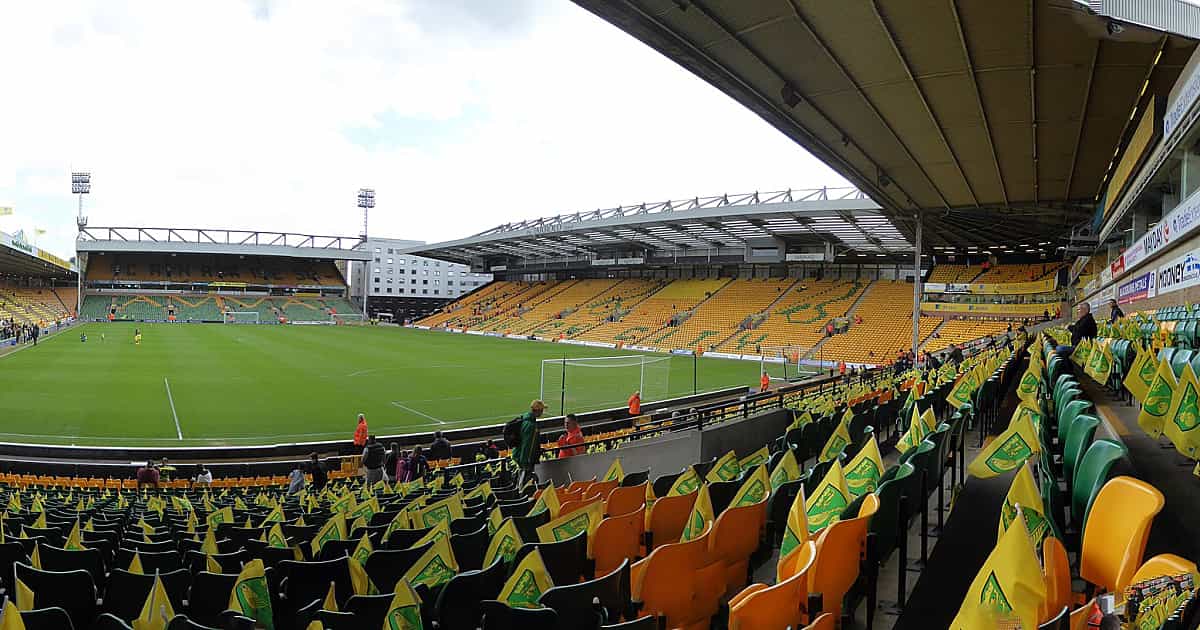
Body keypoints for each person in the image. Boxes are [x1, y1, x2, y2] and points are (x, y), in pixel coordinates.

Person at [512, 399, 545, 488]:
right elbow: (528, 446)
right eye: (542, 410)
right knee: (524, 485)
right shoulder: (531, 426)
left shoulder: (525, 419)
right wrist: (525, 463)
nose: (542, 412)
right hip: (524, 461)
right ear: (537, 411)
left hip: (518, 455)